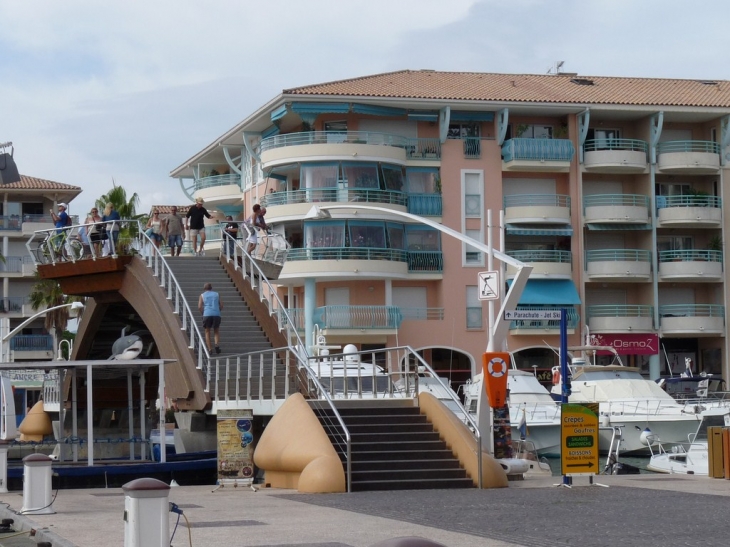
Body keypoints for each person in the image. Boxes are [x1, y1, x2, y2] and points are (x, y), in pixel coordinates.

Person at [198, 282, 223, 354]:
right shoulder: (217, 294)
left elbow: (199, 307)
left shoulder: (202, 295)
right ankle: (217, 345)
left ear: (204, 289)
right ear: (211, 288)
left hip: (207, 314)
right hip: (216, 314)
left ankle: (209, 349)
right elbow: (221, 305)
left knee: (207, 331)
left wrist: (203, 313)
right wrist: (218, 311)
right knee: (216, 330)